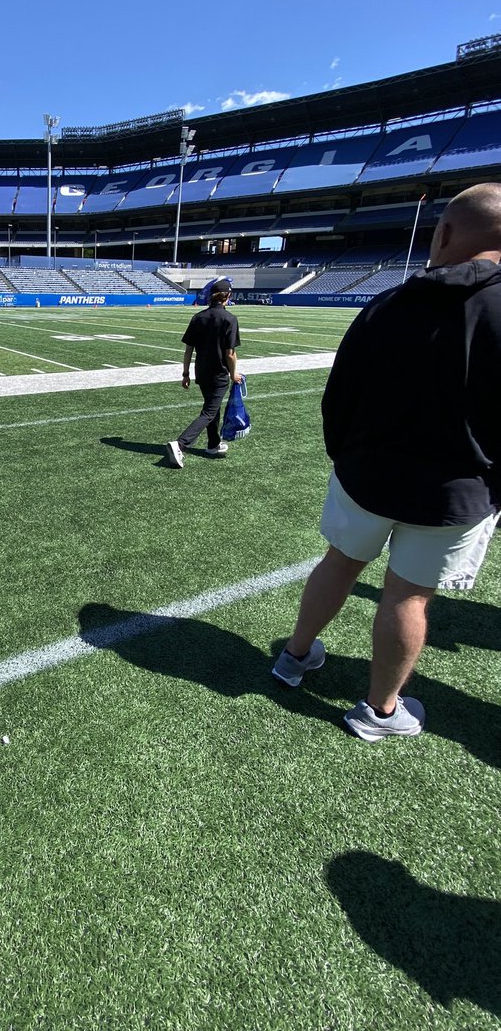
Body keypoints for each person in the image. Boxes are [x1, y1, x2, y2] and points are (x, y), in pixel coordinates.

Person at [272, 183, 501, 741]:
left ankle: (295, 656)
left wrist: (348, 459)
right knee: (408, 594)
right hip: (453, 491)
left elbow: (338, 397)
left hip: (366, 475)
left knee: (340, 561)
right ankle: (378, 710)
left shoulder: (388, 301)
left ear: (444, 233)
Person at [165, 278, 242, 467]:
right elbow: (230, 354)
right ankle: (181, 444)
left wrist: (185, 374)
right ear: (228, 296)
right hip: (219, 373)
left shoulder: (198, 317)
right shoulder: (229, 319)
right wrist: (234, 374)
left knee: (212, 408)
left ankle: (213, 444)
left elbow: (188, 350)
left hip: (201, 371)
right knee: (209, 411)